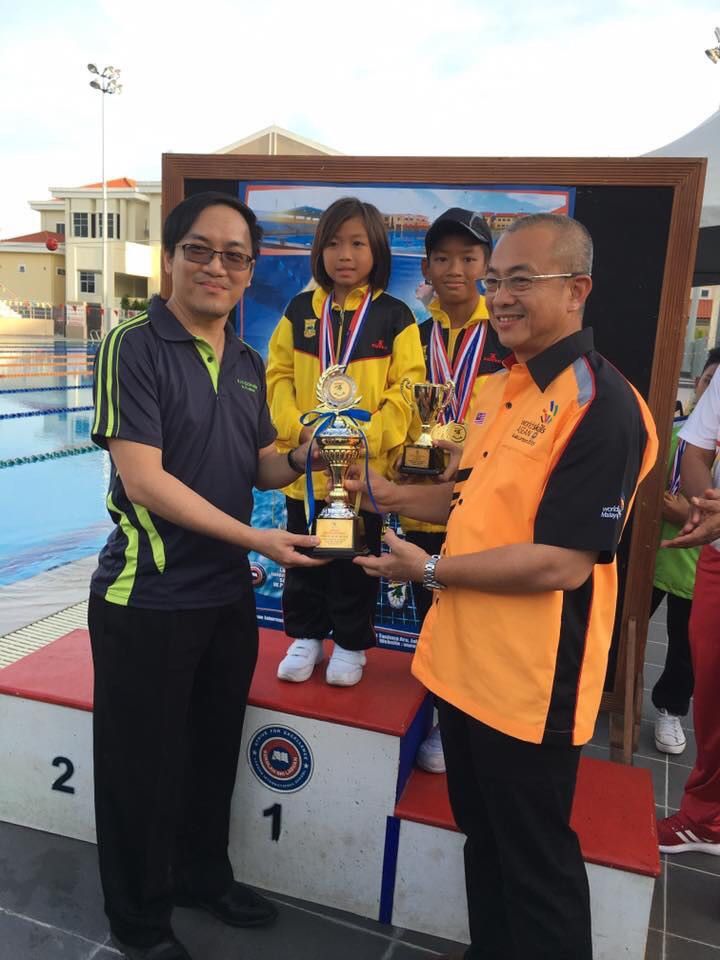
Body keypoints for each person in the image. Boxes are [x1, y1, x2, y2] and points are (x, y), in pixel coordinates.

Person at [348, 213, 658, 960]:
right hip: (461, 668)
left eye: (521, 280)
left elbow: (561, 562)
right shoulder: (496, 388)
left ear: (577, 290)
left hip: (530, 684)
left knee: (536, 866)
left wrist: (426, 570)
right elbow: (463, 497)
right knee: (481, 843)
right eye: (496, 282)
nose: (500, 297)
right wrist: (382, 493)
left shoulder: (603, 405)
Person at [89, 192, 326, 960]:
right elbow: (146, 480)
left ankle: (200, 876)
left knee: (211, 754)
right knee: (140, 773)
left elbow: (258, 461)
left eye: (233, 255)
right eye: (200, 249)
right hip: (150, 597)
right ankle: (139, 922)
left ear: (250, 269)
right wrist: (257, 537)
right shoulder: (134, 344)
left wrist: (301, 458)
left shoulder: (249, 361)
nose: (216, 266)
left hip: (225, 597)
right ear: (172, 256)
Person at [266, 196, 424, 686]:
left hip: (362, 471)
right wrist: (299, 429)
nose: (345, 254)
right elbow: (278, 377)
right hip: (307, 470)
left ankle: (352, 645)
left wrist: (366, 436)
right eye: (333, 243)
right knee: (304, 554)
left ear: (376, 250)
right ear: (319, 251)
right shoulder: (299, 311)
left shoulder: (395, 316)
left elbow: (409, 390)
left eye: (357, 243)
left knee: (356, 561)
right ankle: (306, 638)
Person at [399, 208, 507, 773]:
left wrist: (460, 455)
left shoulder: (507, 333)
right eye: (443, 258)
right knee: (429, 613)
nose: (455, 269)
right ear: (427, 266)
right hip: (423, 498)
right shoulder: (414, 337)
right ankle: (438, 714)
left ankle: (463, 722)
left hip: (481, 504)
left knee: (474, 615)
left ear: (487, 265)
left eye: (468, 258)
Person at [657, 353, 720, 854]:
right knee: (709, 684)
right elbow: (694, 457)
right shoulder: (680, 420)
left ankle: (669, 710)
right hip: (698, 559)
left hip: (698, 562)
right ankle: (705, 818)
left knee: (686, 661)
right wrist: (704, 513)